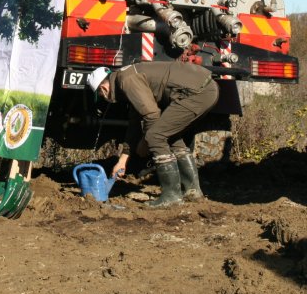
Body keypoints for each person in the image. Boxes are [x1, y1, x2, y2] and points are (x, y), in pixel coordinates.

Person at [87, 61, 219, 208]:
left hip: (198, 93)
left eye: (100, 94)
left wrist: (145, 143)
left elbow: (151, 115)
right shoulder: (125, 79)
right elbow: (135, 123)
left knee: (155, 136)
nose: (103, 98)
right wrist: (123, 160)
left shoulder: (126, 80)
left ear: (103, 88)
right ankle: (192, 191)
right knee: (171, 137)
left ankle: (171, 196)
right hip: (204, 89)